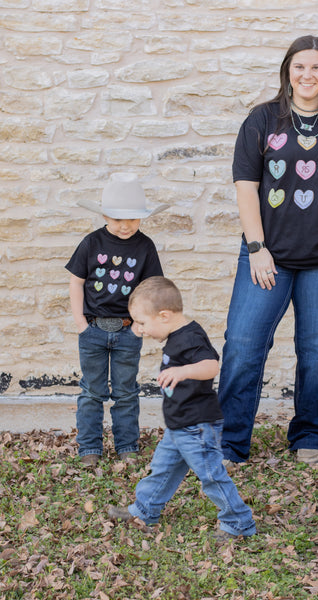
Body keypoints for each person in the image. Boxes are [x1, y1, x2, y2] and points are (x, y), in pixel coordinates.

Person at [218, 35, 318, 466]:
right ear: (287, 70)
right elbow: (246, 187)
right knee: (243, 344)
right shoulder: (263, 120)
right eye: (299, 67)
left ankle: (311, 434)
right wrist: (256, 247)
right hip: (267, 258)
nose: (307, 75)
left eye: (316, 68)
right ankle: (229, 442)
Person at [107, 276, 256, 542]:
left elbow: (211, 366)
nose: (138, 330)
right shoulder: (175, 335)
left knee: (211, 475)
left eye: (141, 323)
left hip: (197, 425)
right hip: (179, 424)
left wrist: (183, 370)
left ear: (164, 316)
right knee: (162, 468)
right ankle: (145, 509)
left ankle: (238, 522)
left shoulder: (191, 337)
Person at [65, 173, 168, 467]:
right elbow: (76, 281)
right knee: (91, 392)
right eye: (117, 218)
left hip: (126, 332)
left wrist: (139, 325)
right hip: (94, 330)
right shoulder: (91, 243)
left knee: (126, 392)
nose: (125, 226)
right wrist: (80, 324)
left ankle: (126, 446)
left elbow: (152, 286)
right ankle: (90, 449)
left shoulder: (145, 247)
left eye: (133, 219)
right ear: (104, 215)